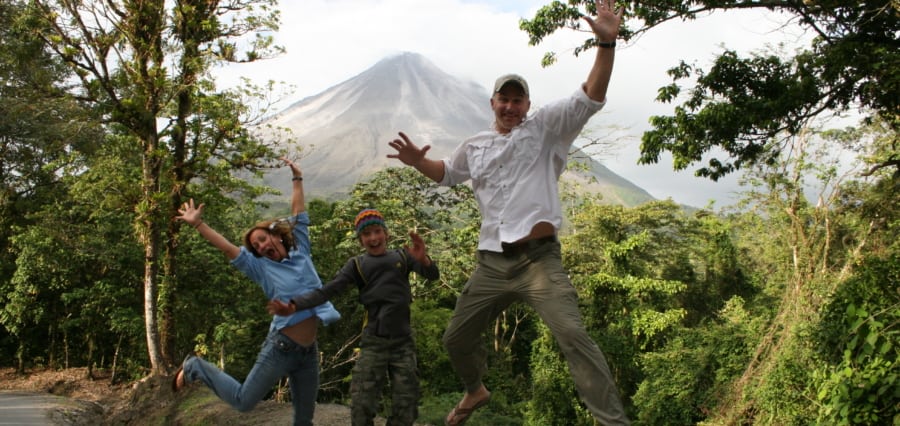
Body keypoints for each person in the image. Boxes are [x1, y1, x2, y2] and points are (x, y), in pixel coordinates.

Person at [385, 1, 629, 425]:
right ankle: (475, 390)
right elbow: (446, 173)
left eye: (518, 100)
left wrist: (605, 44)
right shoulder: (475, 145)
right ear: (492, 102)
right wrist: (416, 162)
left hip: (539, 261)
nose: (511, 107)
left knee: (573, 336)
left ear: (528, 104)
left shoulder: (547, 128)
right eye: (504, 99)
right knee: (456, 338)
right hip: (492, 264)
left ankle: (614, 422)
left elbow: (591, 96)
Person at [172, 157, 341, 426]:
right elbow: (227, 248)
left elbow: (298, 213)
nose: (261, 247)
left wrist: (297, 177)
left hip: (308, 351)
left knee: (304, 419)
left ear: (275, 235)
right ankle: (195, 366)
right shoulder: (261, 268)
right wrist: (197, 224)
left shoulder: (301, 251)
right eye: (256, 246)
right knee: (243, 400)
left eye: (262, 239)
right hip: (280, 347)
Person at [267, 208, 440, 426]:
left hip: (403, 343)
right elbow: (327, 291)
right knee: (362, 401)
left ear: (386, 234)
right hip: (374, 341)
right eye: (367, 234)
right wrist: (294, 306)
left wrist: (424, 260)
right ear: (360, 240)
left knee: (407, 402)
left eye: (377, 231)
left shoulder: (403, 257)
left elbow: (433, 276)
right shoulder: (357, 265)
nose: (373, 238)